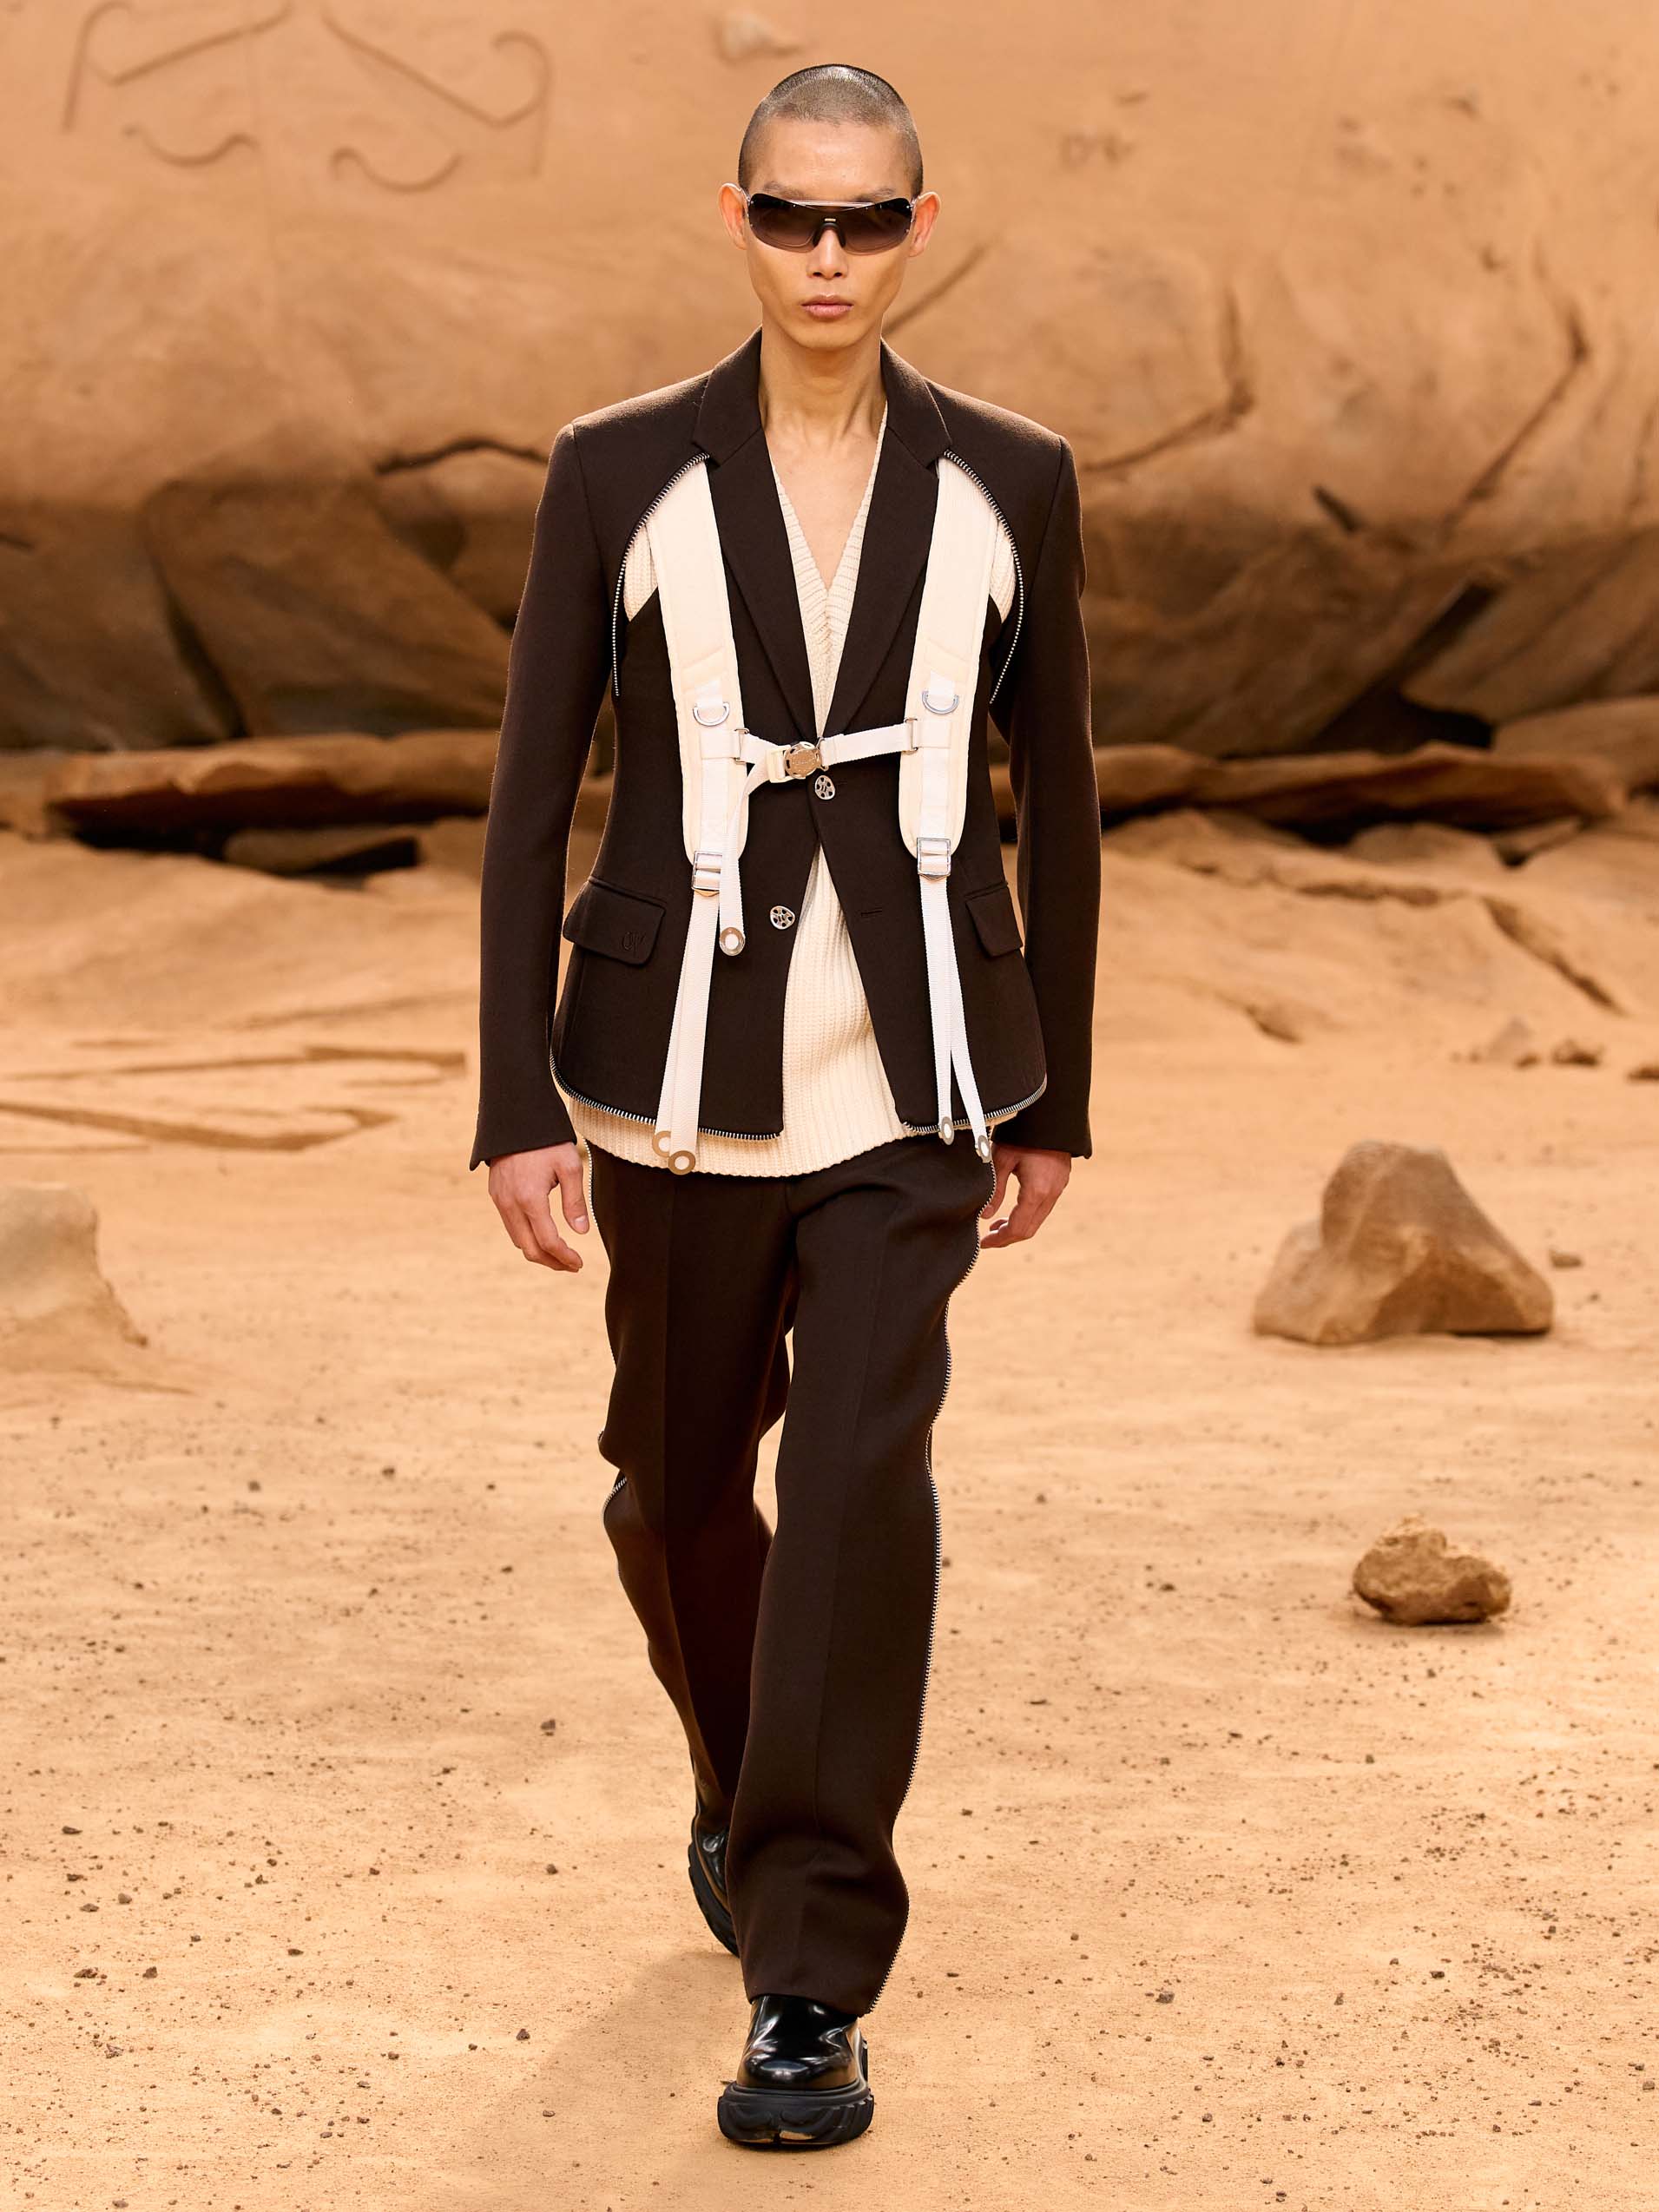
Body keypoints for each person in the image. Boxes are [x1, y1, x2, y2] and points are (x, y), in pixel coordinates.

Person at [471, 62, 1098, 2150]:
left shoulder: (1011, 477)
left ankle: (807, 1971)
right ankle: (743, 1784)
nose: (829, 257)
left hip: (917, 1071)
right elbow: (528, 795)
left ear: (917, 228)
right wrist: (511, 1096)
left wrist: (1058, 1086)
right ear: (737, 220)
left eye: (868, 219)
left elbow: (1057, 794)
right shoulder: (614, 468)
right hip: (668, 1071)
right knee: (671, 1489)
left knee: (850, 1482)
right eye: (793, 216)